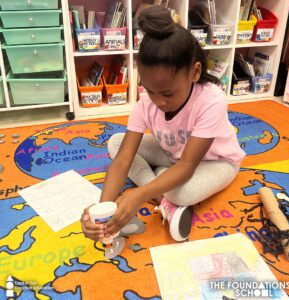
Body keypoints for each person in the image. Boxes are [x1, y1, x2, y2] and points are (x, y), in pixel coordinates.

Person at [81, 6, 246, 242]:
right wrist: (103, 210)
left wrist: (139, 194)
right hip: (173, 155)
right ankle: (163, 190)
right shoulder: (146, 103)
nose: (158, 101)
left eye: (168, 93)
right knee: (116, 143)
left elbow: (188, 165)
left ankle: (163, 188)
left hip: (216, 162)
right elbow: (124, 159)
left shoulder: (212, 100)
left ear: (195, 72)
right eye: (150, 90)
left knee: (183, 192)